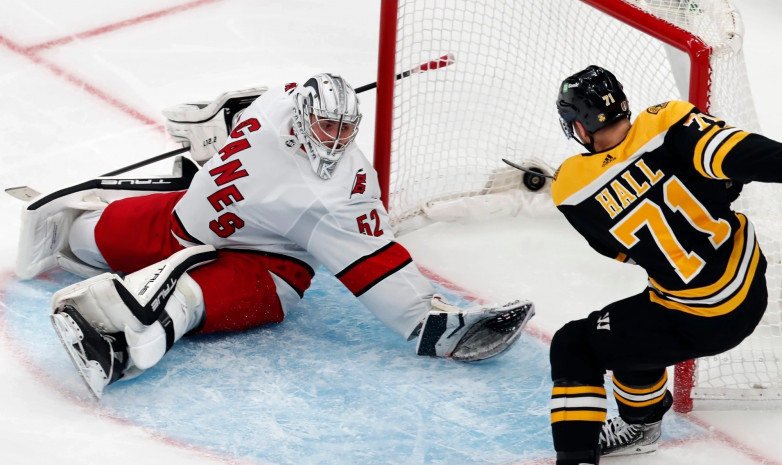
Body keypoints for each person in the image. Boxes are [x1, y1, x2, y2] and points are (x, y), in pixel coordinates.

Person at [18, 73, 534, 400]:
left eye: (345, 130)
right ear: (304, 113)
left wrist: (438, 327)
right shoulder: (274, 104)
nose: (336, 140)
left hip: (265, 270)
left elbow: (376, 261)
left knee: (188, 298)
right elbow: (236, 109)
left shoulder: (341, 192)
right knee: (81, 236)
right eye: (327, 126)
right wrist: (204, 126)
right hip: (182, 219)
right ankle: (87, 239)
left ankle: (127, 343)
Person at [544, 65, 776, 464]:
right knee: (628, 331)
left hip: (690, 317)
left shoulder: (570, 186)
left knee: (575, 345)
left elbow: (620, 251)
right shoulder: (668, 123)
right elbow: (751, 158)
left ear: (579, 125)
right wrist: (719, 189)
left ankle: (580, 455)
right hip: (748, 294)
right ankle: (640, 426)